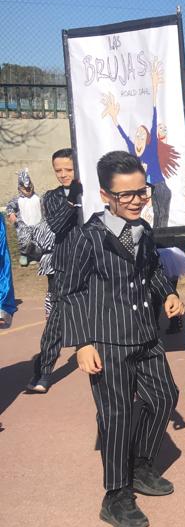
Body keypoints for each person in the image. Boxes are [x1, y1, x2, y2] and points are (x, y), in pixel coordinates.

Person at [58, 150, 183, 527]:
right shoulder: (87, 238)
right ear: (105, 195)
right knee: (117, 414)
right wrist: (82, 343)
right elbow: (70, 292)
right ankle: (115, 495)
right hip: (107, 341)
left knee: (164, 397)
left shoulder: (142, 229)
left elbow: (152, 268)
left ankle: (140, 465)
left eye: (141, 191)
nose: (136, 200)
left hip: (145, 334)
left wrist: (168, 292)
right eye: (125, 194)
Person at [26, 149, 81, 394]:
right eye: (58, 170)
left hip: (95, 263)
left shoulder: (95, 191)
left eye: (68, 169)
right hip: (64, 265)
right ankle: (44, 371)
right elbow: (57, 225)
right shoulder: (52, 196)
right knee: (57, 319)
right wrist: (72, 199)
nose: (63, 174)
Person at [102, 58, 181, 229]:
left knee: (161, 221)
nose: (139, 136)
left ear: (148, 138)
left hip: (159, 187)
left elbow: (154, 117)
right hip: (142, 189)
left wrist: (154, 87)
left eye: (142, 134)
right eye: (137, 134)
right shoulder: (133, 152)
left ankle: (160, 239)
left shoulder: (151, 149)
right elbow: (123, 134)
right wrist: (114, 117)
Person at [5, 168, 45, 266]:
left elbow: (45, 206)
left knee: (38, 240)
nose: (28, 190)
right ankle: (24, 254)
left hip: (37, 223)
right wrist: (11, 213)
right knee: (25, 240)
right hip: (24, 224)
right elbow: (10, 206)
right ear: (19, 188)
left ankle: (35, 256)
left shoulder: (38, 197)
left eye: (29, 187)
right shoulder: (17, 200)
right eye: (24, 189)